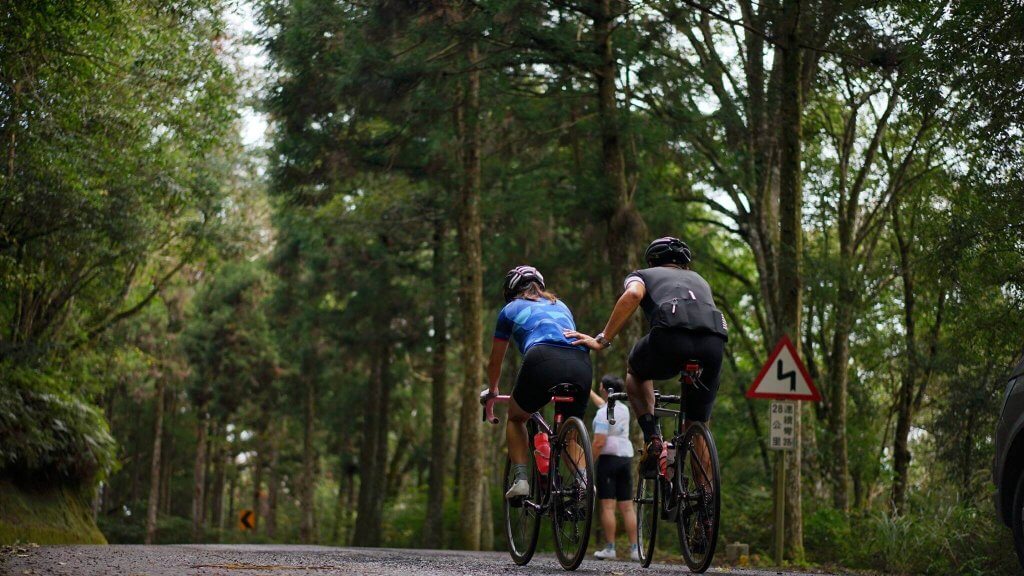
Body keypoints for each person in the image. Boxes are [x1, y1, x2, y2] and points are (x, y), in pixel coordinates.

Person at [564, 237, 728, 478]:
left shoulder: (642, 274)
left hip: (672, 336)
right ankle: (706, 504)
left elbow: (632, 296)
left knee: (636, 371)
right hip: (714, 343)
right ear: (685, 263)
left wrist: (603, 339)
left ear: (652, 260)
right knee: (697, 424)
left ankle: (653, 439)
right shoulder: (700, 281)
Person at [484, 265, 592, 499]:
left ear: (510, 290)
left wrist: (493, 389)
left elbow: (495, 361)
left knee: (515, 418)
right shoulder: (560, 305)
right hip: (581, 360)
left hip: (542, 357)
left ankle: (522, 480)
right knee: (568, 436)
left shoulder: (510, 309)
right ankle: (584, 482)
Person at [590, 374, 639, 561]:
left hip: (608, 460)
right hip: (625, 458)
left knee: (608, 507)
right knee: (627, 507)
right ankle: (635, 549)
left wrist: (588, 464)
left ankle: (610, 548)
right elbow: (602, 404)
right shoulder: (624, 409)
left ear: (604, 388)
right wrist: (589, 392)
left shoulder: (603, 414)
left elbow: (599, 442)